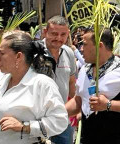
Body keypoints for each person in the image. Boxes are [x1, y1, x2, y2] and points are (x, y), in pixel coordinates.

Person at [66, 28, 120, 144]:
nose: (81, 49)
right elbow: (79, 101)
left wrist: (108, 105)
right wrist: (58, 112)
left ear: (100, 46)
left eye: (84, 44)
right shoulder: (85, 69)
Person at [0, 31, 68, 144]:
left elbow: (60, 121)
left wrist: (25, 127)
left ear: (18, 56)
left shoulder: (41, 84)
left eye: (2, 53)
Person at [41, 16, 77, 144]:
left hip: (61, 119)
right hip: (38, 119)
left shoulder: (69, 53)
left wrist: (75, 108)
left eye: (63, 34)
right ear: (45, 32)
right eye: (54, 34)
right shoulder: (34, 52)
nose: (59, 38)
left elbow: (72, 83)